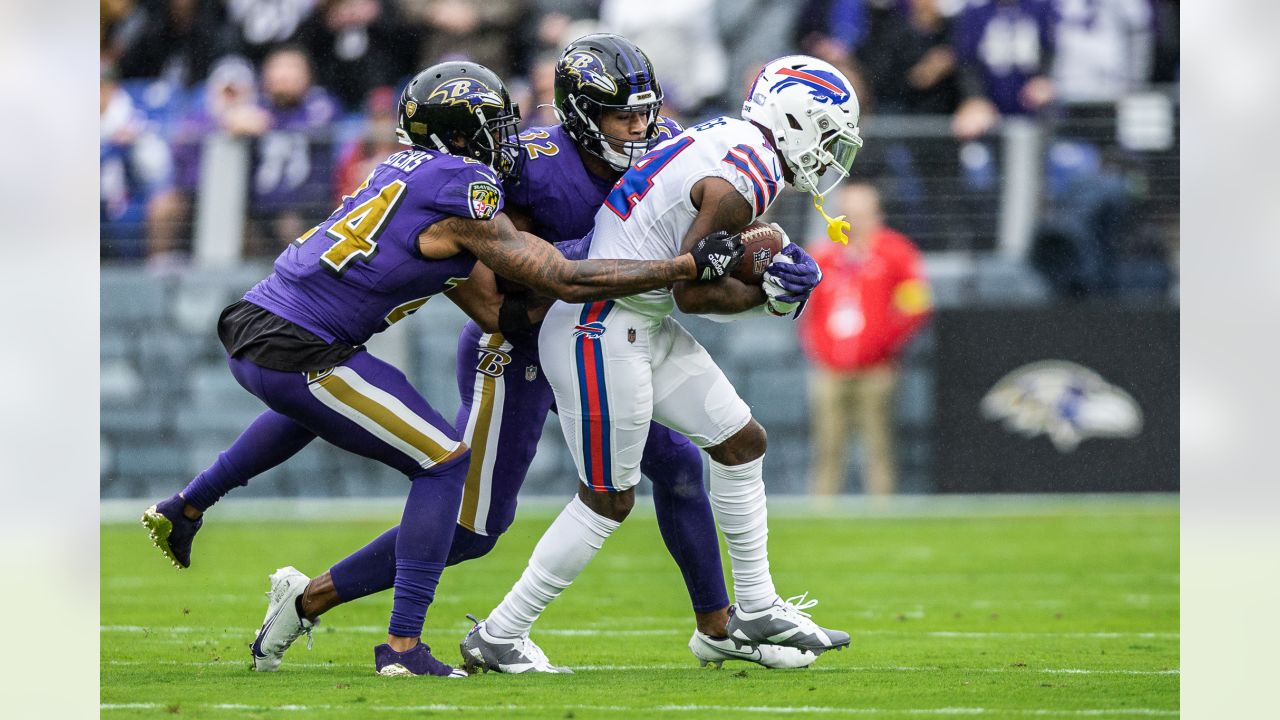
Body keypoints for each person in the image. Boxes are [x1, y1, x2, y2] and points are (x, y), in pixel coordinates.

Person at [140, 60, 743, 678]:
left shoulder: (404, 172)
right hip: (307, 344)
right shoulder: (465, 185)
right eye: (494, 125)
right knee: (445, 467)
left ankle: (189, 507)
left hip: (273, 328)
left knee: (317, 418)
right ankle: (400, 650)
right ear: (461, 135)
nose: (508, 138)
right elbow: (557, 278)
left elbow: (491, 306)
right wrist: (681, 268)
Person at [459, 55, 861, 673]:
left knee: (740, 442)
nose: (831, 155)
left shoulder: (737, 143)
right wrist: (770, 298)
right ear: (797, 121)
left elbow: (706, 259)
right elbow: (694, 289)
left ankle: (752, 608)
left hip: (634, 318)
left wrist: (768, 264)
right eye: (828, 136)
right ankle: (500, 633)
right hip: (597, 325)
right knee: (607, 500)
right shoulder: (747, 172)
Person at [797, 182, 931, 497]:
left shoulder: (897, 252)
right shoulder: (825, 255)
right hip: (829, 370)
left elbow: (916, 305)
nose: (854, 220)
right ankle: (823, 513)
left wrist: (885, 342)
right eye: (849, 212)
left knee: (878, 447)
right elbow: (809, 309)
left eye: (861, 212)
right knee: (827, 447)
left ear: (877, 213)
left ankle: (881, 511)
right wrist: (818, 347)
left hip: (877, 369)